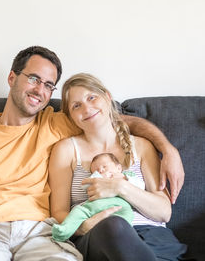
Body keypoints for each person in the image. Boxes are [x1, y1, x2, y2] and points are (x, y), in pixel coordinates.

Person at [0, 46, 184, 261]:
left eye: (49, 85)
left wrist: (167, 148)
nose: (40, 90)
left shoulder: (57, 122)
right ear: (12, 78)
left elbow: (116, 121)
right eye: (34, 78)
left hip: (41, 234)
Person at [49, 73, 187, 260]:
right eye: (76, 105)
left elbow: (164, 212)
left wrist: (120, 187)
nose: (87, 108)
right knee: (114, 225)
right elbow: (58, 211)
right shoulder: (66, 150)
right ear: (70, 116)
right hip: (99, 235)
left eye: (91, 97)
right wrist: (83, 226)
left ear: (107, 96)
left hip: (153, 238)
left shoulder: (141, 146)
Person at [52, 152, 143, 242]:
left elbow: (140, 187)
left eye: (104, 166)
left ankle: (126, 235)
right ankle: (64, 230)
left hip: (119, 206)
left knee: (126, 215)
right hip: (93, 207)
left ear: (118, 168)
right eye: (96, 170)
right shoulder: (96, 178)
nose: (100, 170)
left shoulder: (128, 176)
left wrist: (124, 179)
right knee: (77, 211)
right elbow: (84, 186)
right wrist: (98, 177)